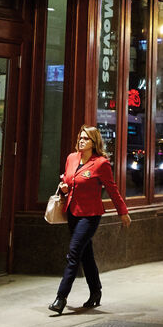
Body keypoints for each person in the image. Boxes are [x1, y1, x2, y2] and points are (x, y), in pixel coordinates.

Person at [48, 125, 131, 313]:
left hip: (90, 215)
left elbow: (113, 190)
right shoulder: (71, 158)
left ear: (94, 143)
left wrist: (123, 212)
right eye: (80, 137)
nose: (81, 140)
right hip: (72, 212)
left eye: (86, 138)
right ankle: (96, 292)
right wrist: (64, 188)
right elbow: (69, 182)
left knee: (74, 253)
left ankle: (61, 298)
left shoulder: (101, 163)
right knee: (86, 255)